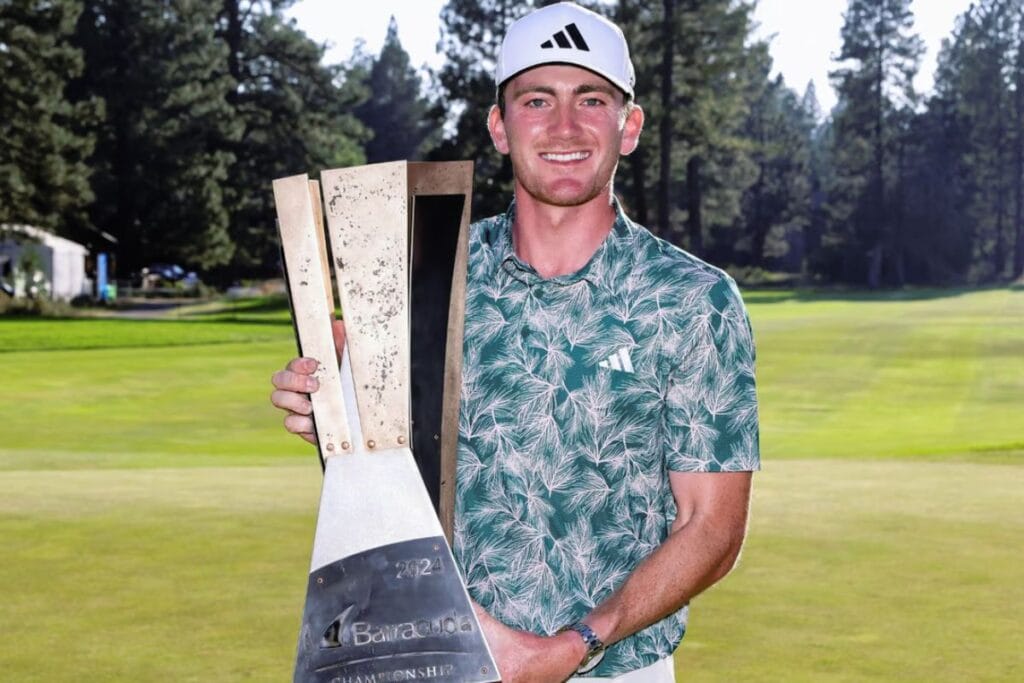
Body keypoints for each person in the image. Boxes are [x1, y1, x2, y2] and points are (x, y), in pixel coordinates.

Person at [271, 3, 759, 681]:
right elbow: (387, 463)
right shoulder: (423, 283)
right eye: (537, 100)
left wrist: (575, 642)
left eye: (591, 99)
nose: (564, 126)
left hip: (615, 672)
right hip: (435, 661)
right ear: (500, 127)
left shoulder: (693, 301)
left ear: (630, 126)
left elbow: (711, 526)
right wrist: (328, 409)